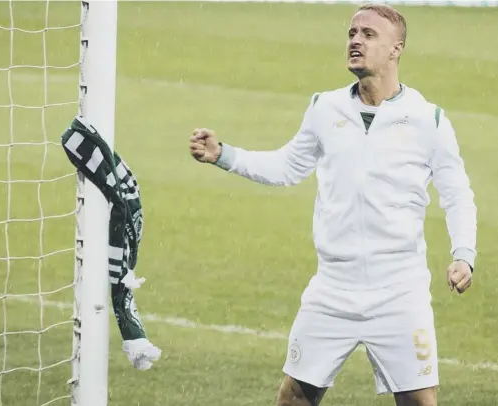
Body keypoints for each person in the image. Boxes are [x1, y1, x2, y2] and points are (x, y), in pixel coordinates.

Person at [188, 3, 476, 406]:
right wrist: (224, 155)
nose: (355, 40)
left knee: (418, 403)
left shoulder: (428, 120)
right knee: (293, 399)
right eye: (352, 33)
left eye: (369, 34)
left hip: (398, 289)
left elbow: (457, 193)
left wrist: (464, 254)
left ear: (397, 49)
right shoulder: (325, 108)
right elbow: (287, 166)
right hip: (333, 288)